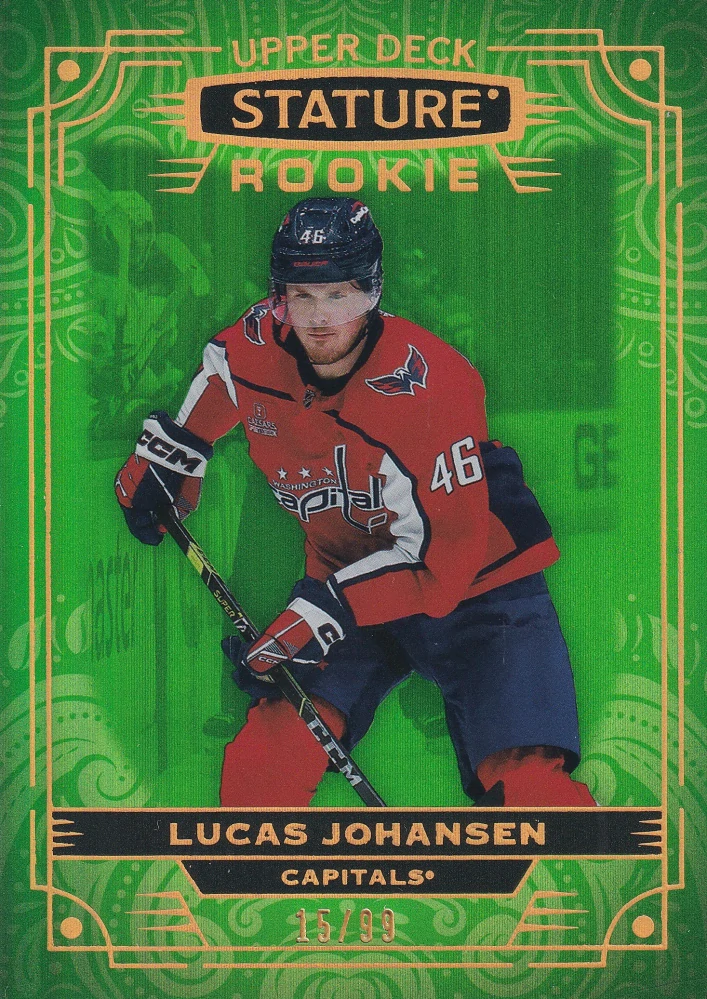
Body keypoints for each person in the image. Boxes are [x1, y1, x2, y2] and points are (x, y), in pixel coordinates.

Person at [114, 197, 596, 808]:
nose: (319, 317)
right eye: (302, 295)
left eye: (339, 295)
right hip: (346, 577)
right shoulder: (256, 341)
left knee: (532, 793)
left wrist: (322, 610)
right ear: (278, 298)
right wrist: (176, 453)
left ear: (371, 293)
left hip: (480, 586)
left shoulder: (433, 389)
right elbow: (221, 376)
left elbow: (442, 568)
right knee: (264, 764)